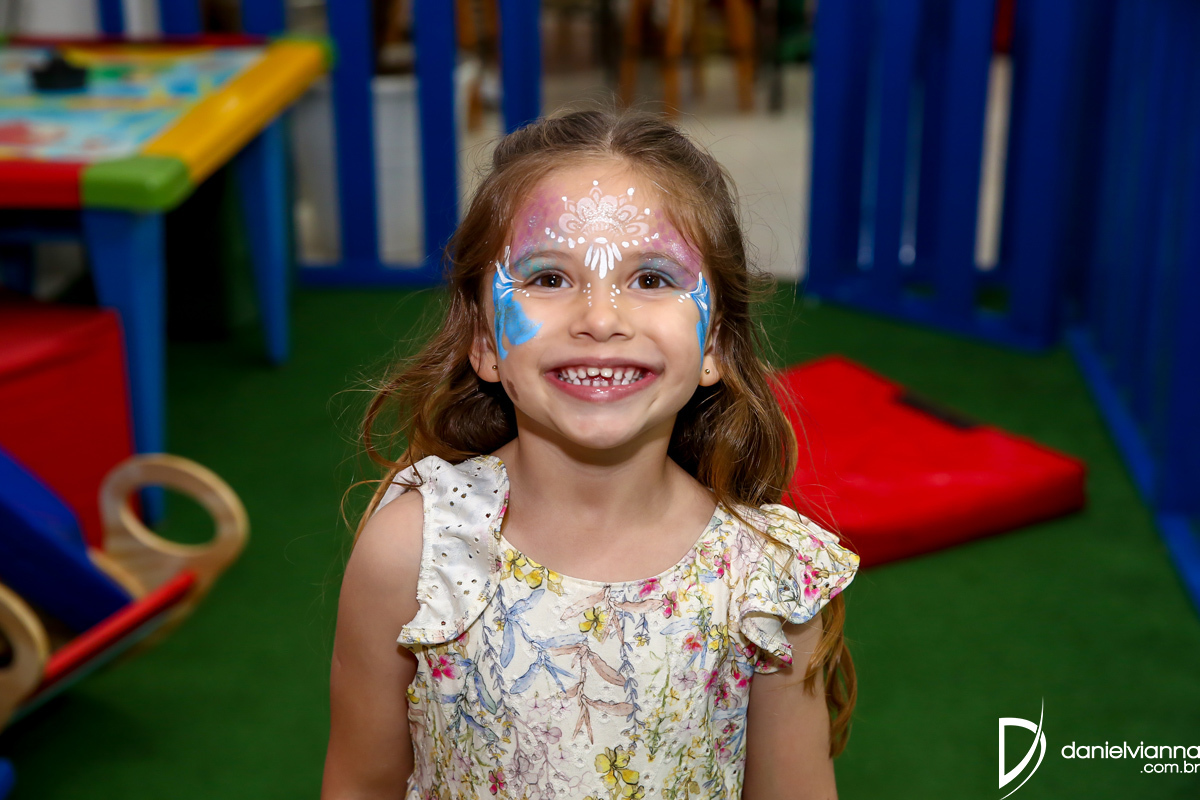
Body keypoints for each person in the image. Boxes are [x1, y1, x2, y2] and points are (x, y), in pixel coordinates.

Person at [322, 109, 859, 800]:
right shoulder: (417, 552)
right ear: (485, 341)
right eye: (548, 278)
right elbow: (359, 783)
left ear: (715, 344)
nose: (601, 319)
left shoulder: (765, 585)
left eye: (652, 279)